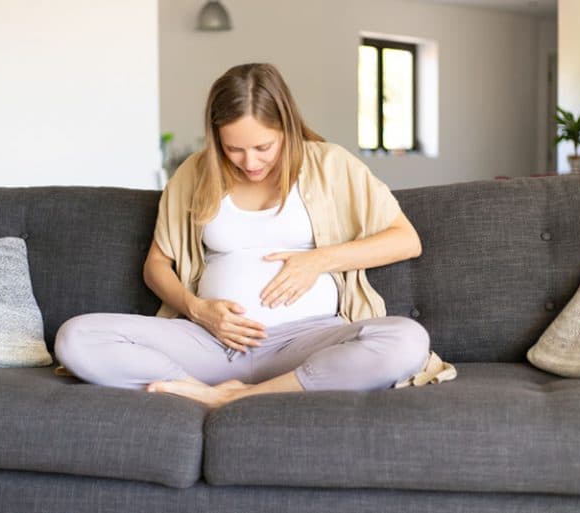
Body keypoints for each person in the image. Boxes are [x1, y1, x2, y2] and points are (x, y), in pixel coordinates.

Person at [54, 63, 433, 408]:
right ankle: (195, 386)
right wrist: (196, 309)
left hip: (304, 343)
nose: (250, 163)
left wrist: (318, 259)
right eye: (233, 149)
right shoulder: (194, 173)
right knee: (76, 337)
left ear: (286, 126)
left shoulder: (331, 164)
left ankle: (234, 397)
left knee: (406, 340)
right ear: (216, 136)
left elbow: (405, 239)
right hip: (210, 343)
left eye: (263, 147)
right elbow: (157, 265)